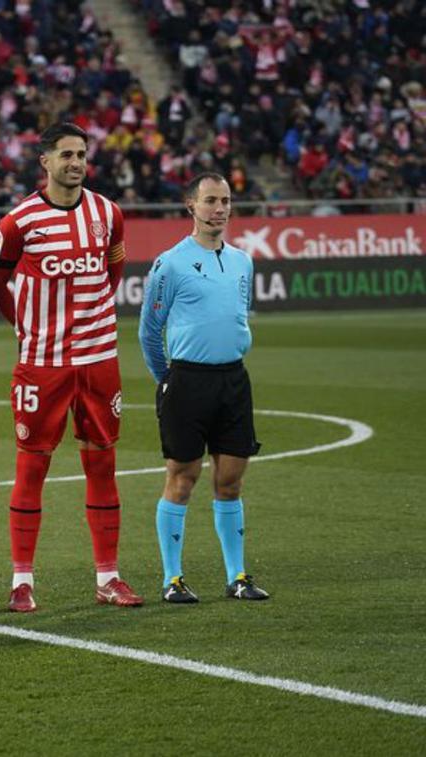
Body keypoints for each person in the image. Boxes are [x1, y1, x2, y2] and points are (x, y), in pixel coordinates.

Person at [0, 122, 145, 613]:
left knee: (102, 464)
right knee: (32, 466)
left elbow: (112, 271)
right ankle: (21, 581)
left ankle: (108, 577)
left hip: (99, 362)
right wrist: (28, 329)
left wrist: (88, 319)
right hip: (43, 365)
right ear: (46, 162)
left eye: (82, 153)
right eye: (67, 155)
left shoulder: (108, 214)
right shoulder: (19, 223)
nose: (76, 162)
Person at [139, 172, 270, 604]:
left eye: (225, 200)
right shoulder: (170, 263)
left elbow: (239, 315)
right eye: (210, 200)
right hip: (187, 381)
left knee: (230, 480)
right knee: (183, 477)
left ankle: (237, 576)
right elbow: (149, 330)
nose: (219, 209)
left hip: (234, 379)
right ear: (190, 206)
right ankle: (172, 578)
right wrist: (167, 380)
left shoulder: (242, 261)